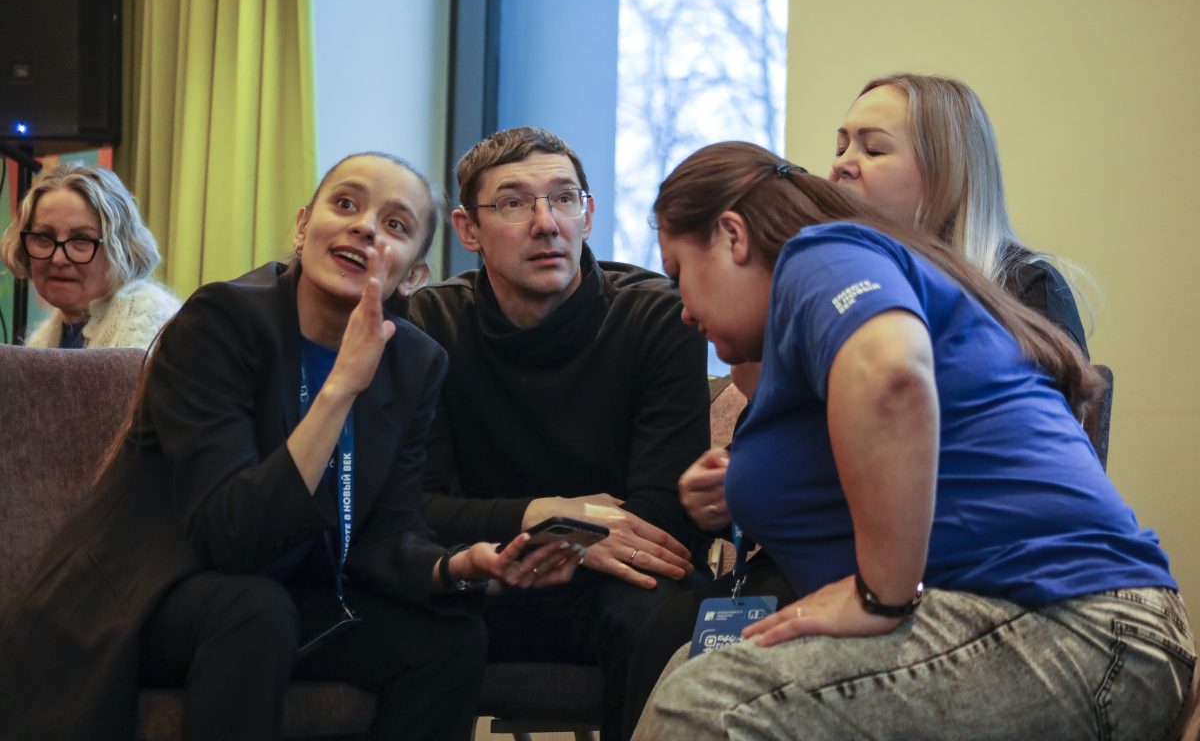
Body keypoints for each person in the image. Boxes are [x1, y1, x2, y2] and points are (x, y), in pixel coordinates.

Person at [0, 152, 582, 741]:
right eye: (346, 204)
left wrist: (457, 566)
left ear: (413, 276)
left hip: (282, 594)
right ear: (304, 227)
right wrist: (340, 388)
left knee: (448, 638)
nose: (364, 227)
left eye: (395, 224)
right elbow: (230, 535)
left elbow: (387, 532)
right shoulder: (219, 321)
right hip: (145, 593)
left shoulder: (414, 362)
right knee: (254, 610)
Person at [630, 141, 1192, 740]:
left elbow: (891, 373)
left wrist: (880, 596)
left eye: (679, 274)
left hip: (1078, 622)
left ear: (733, 236)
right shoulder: (814, 325)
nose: (682, 310)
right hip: (1036, 622)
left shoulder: (820, 256)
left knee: (705, 705)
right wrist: (742, 483)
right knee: (687, 666)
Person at [403, 127, 711, 741]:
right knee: (390, 611)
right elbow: (415, 508)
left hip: (613, 583)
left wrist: (566, 539)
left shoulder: (657, 315)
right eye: (513, 203)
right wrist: (543, 517)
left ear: (587, 215)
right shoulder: (428, 324)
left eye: (564, 198)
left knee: (659, 611)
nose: (546, 224)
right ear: (468, 230)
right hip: (483, 573)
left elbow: (664, 519)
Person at [831, 73, 1089, 353]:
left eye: (873, 150)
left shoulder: (1030, 291)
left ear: (946, 173)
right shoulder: (836, 285)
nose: (841, 165)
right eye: (840, 149)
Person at [0, 162, 179, 349]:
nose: (58, 259)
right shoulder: (44, 338)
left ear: (121, 248)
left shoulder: (150, 327)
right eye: (44, 236)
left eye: (81, 239)